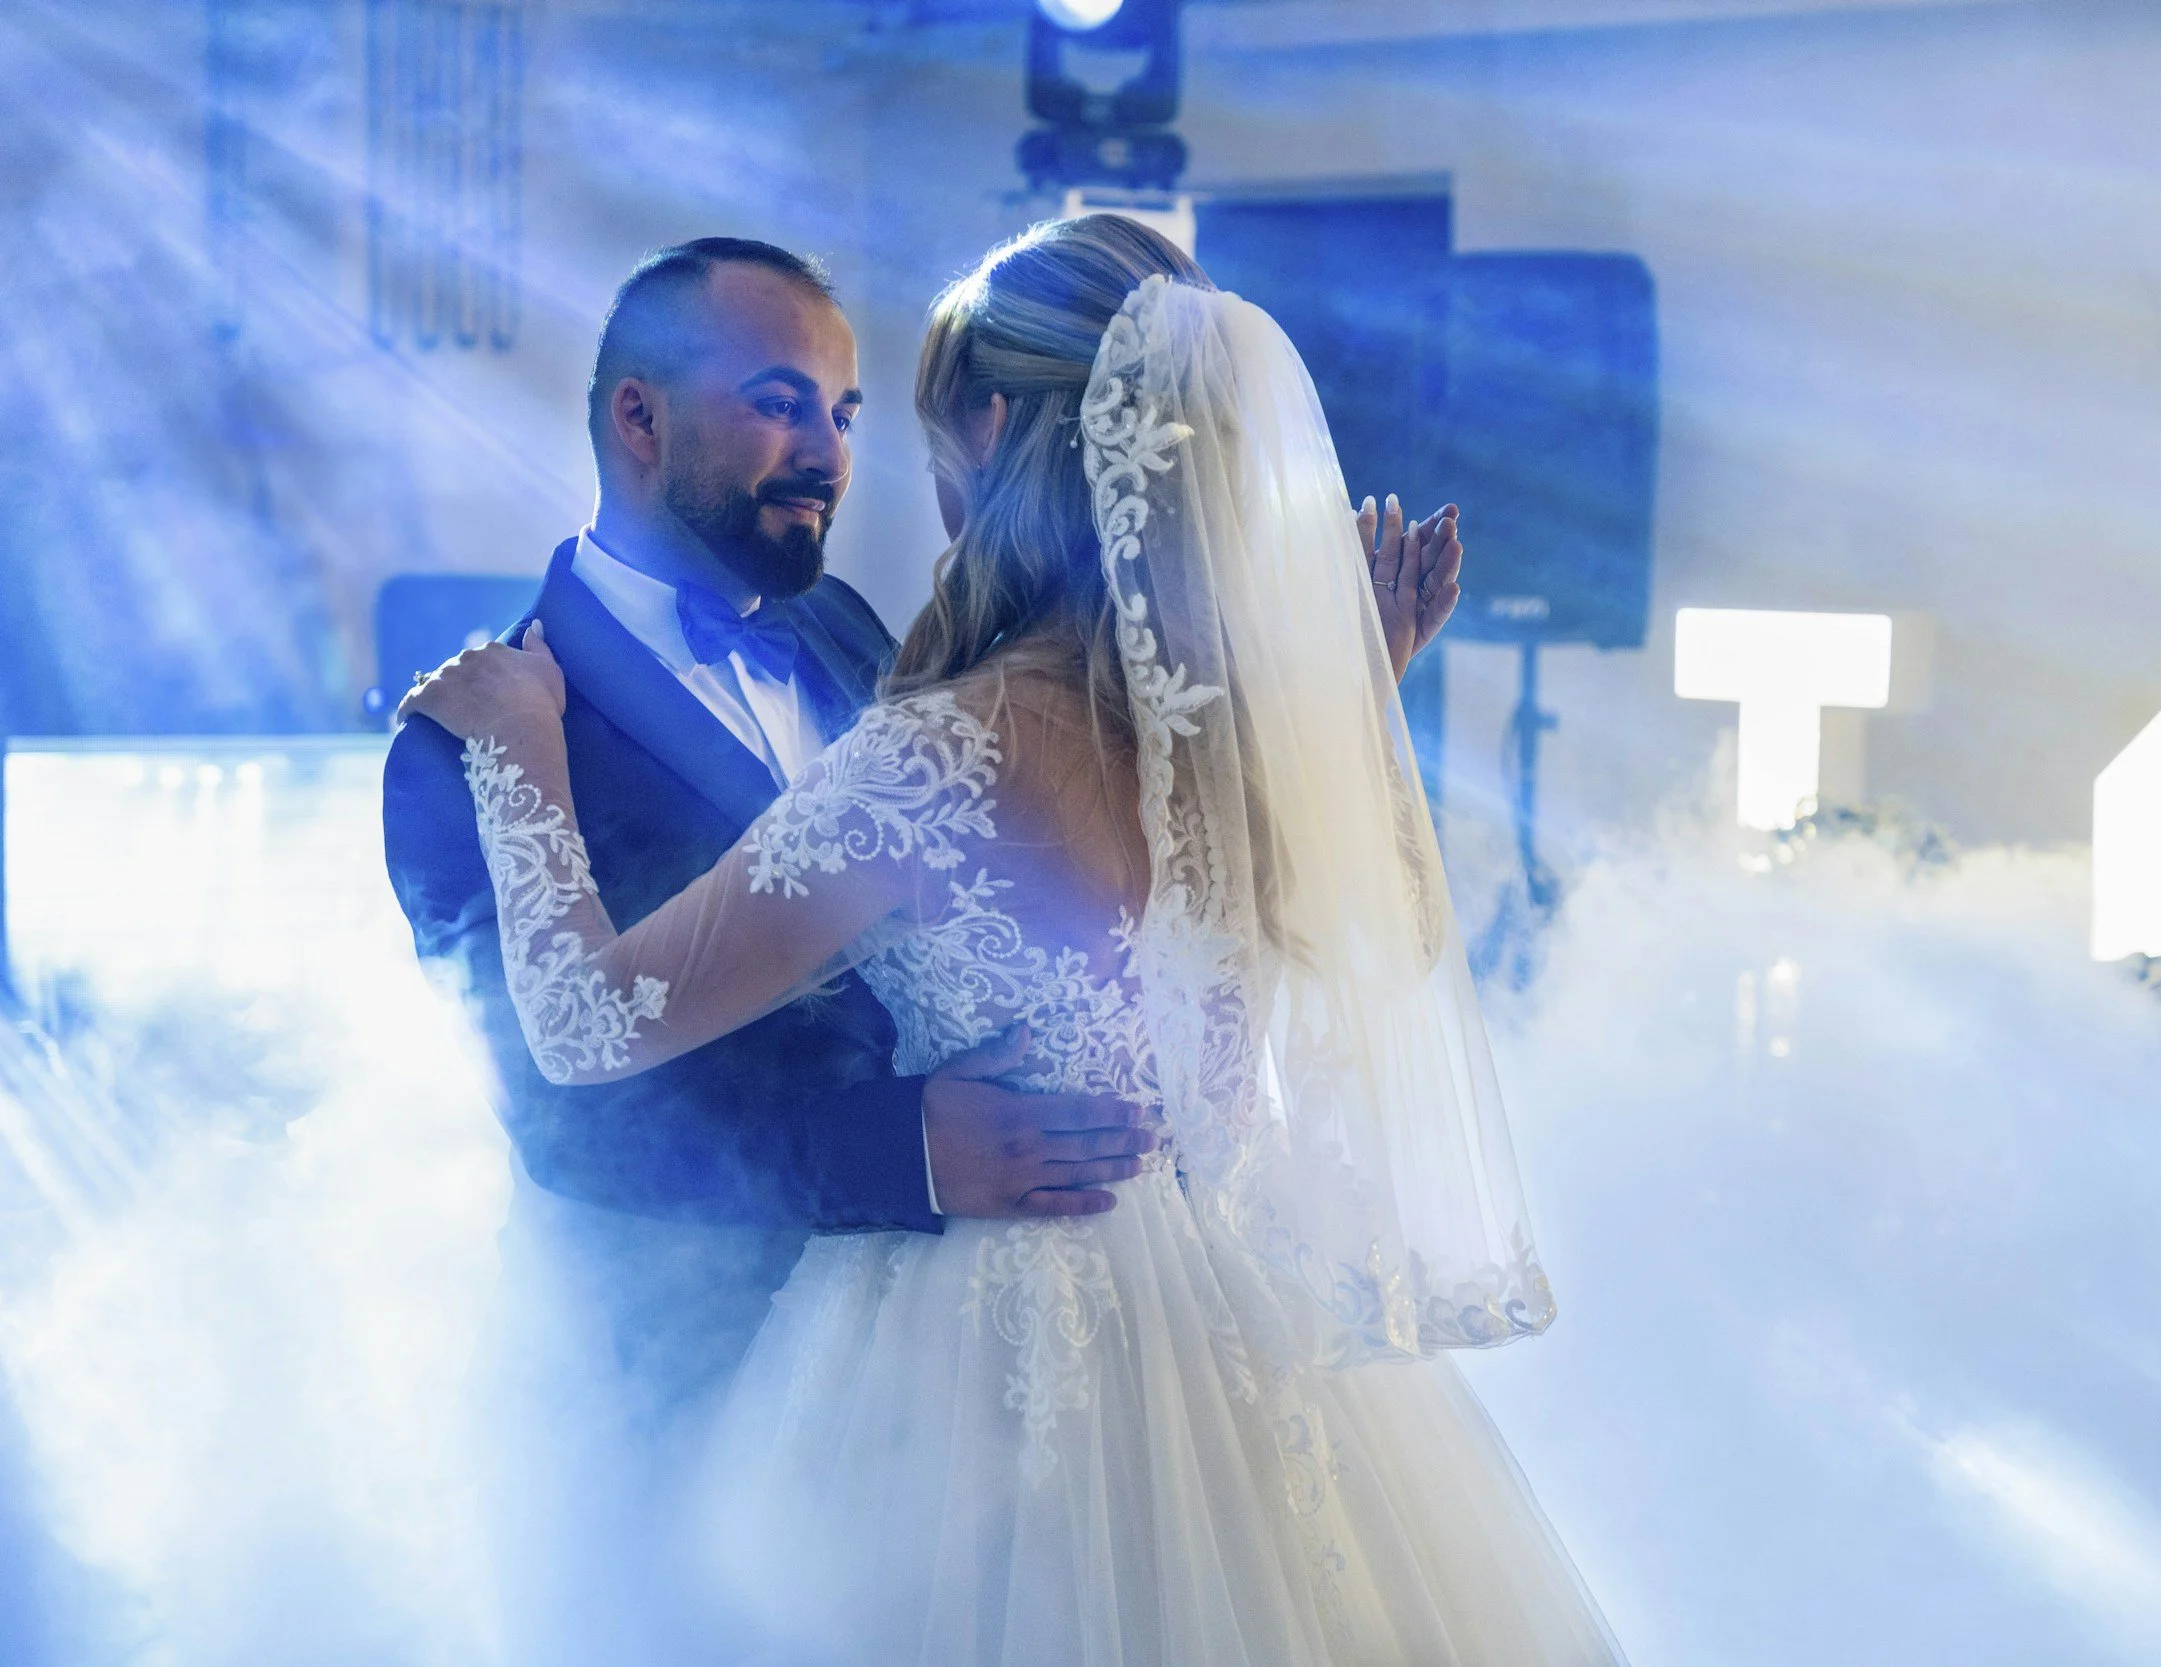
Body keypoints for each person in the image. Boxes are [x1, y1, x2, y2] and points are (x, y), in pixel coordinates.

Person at [382, 229, 1472, 1659]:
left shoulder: (891, 669)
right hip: (704, 1368)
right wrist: (1337, 722)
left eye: (848, 414)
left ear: (1000, 430)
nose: (831, 454)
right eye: (782, 401)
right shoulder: (1195, 735)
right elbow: (559, 1111)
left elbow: (620, 1004)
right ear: (638, 417)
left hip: (979, 1365)